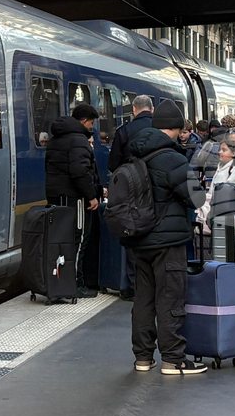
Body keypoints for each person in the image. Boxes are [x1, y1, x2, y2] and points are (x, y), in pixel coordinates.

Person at [125, 99, 207, 375]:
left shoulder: (134, 154)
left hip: (140, 238)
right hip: (168, 241)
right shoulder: (173, 158)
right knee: (170, 298)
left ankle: (143, 358)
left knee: (144, 300)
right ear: (175, 129)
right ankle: (173, 359)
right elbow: (196, 198)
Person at [45, 103, 103, 297]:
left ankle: (58, 282)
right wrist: (91, 196)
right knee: (78, 241)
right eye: (91, 123)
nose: (91, 128)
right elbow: (80, 172)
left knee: (59, 241)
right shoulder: (78, 140)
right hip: (75, 199)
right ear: (84, 120)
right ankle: (75, 285)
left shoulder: (56, 138)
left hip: (56, 196)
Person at [108, 94, 154, 300]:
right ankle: (154, 284)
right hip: (156, 189)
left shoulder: (124, 131)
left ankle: (133, 286)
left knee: (132, 232)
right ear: (151, 110)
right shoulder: (161, 129)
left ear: (134, 109)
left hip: (132, 192)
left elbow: (113, 164)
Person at [196, 133, 235, 232]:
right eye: (220, 149)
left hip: (227, 216)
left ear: (233, 154)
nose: (219, 152)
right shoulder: (220, 168)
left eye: (224, 150)